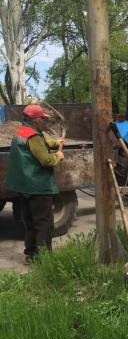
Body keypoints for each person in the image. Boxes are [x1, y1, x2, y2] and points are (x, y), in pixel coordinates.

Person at [5, 104, 64, 263]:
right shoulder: (34, 136)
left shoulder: (21, 132)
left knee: (30, 223)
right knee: (44, 224)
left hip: (25, 187)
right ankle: (44, 260)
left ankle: (31, 255)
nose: (44, 122)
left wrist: (54, 142)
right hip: (39, 187)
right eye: (42, 119)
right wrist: (58, 156)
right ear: (35, 120)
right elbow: (45, 160)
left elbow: (36, 145)